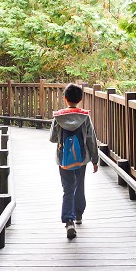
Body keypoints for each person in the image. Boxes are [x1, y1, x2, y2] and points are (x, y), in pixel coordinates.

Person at [49, 83, 99, 239]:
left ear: (65, 98)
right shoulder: (84, 116)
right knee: (80, 185)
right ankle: (78, 214)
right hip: (81, 159)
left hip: (63, 160)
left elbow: (52, 138)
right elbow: (91, 139)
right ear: (80, 99)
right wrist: (95, 160)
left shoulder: (59, 116)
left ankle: (68, 221)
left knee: (68, 188)